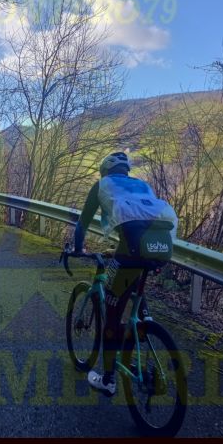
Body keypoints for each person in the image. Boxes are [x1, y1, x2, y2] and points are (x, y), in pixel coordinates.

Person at [74, 151, 179, 396]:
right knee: (132, 280)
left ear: (104, 170)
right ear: (126, 170)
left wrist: (78, 249)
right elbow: (141, 223)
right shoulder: (141, 185)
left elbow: (83, 223)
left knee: (112, 317)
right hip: (159, 248)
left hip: (130, 251)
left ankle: (108, 380)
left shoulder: (102, 185)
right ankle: (144, 322)